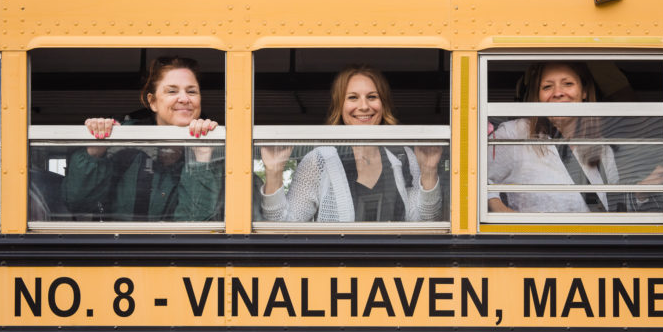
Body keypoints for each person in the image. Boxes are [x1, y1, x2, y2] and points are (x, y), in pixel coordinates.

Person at [259, 64, 443, 222]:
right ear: (340, 106)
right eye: (353, 97)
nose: (364, 106)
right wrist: (273, 172)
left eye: (372, 97)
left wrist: (428, 170)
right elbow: (284, 224)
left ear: (383, 104)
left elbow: (426, 220)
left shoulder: (404, 157)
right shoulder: (319, 160)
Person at [488, 62, 663, 213]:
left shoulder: (602, 150)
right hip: (534, 248)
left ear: (584, 92)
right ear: (538, 97)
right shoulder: (515, 134)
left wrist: (640, 192)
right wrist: (502, 212)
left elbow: (609, 210)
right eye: (547, 86)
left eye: (568, 84)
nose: (558, 92)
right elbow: (475, 178)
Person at [61, 56, 224, 221]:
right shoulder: (122, 141)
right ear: (152, 102)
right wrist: (95, 152)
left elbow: (197, 225)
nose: (184, 98)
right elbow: (77, 204)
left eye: (191, 91)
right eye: (172, 91)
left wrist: (202, 159)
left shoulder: (216, 146)